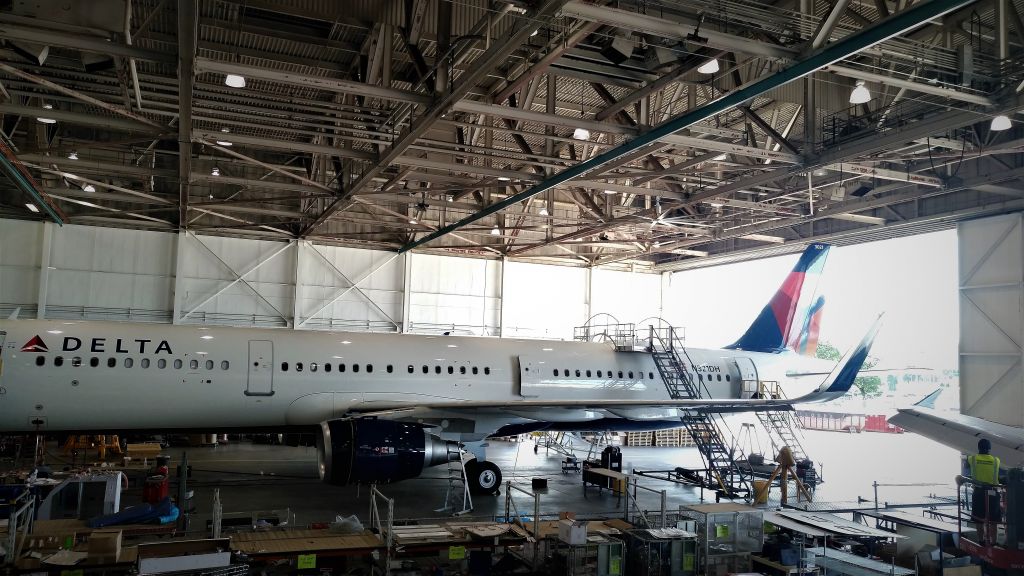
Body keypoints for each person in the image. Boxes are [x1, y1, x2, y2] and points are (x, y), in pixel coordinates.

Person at [966, 438, 1002, 545]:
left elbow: (966, 465)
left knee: (979, 520)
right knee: (993, 521)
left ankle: (981, 541)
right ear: (990, 449)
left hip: (979, 493)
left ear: (978, 448)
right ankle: (993, 543)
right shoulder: (996, 460)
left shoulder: (973, 459)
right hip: (993, 493)